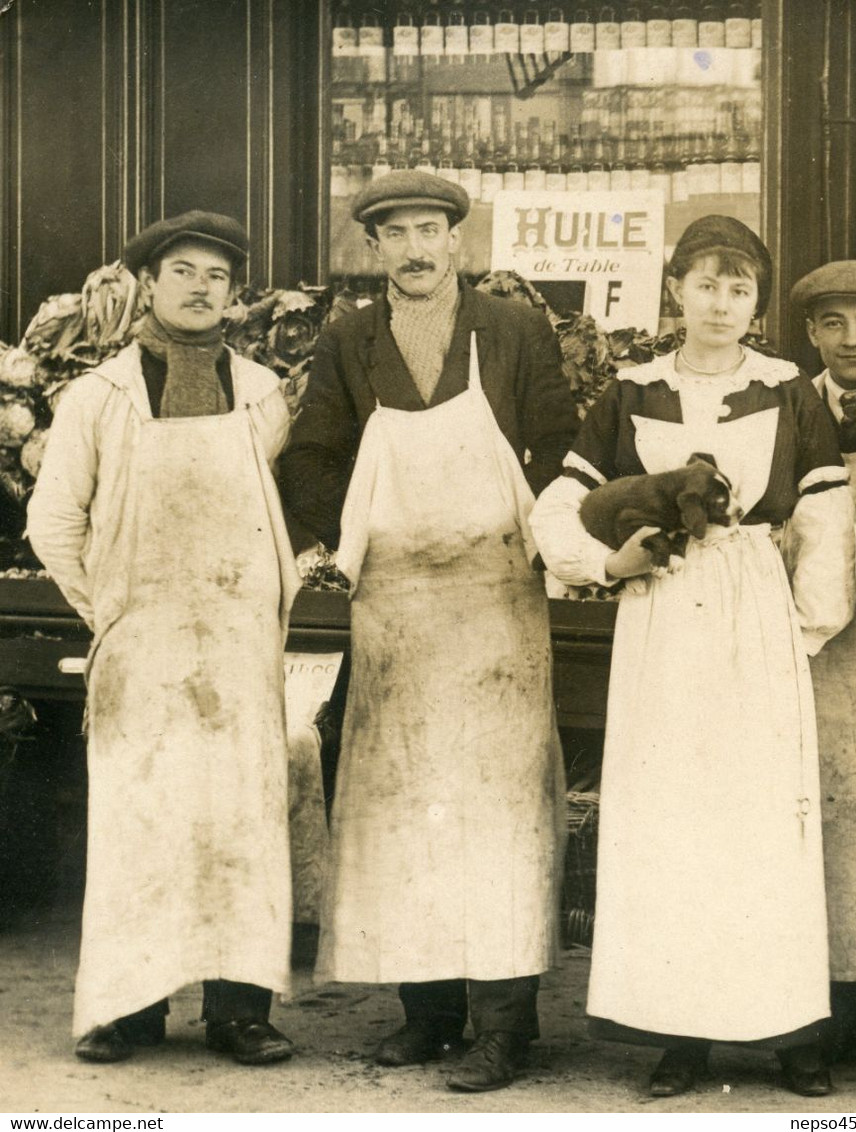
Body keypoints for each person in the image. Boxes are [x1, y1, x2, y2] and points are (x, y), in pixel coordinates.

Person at [530, 215, 855, 1098]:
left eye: (740, 288)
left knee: (760, 822)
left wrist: (804, 631)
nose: (722, 303)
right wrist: (604, 563)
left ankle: (790, 1031)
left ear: (756, 303)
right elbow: (558, 504)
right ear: (675, 289)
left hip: (757, 612)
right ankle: (683, 1034)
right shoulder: (631, 390)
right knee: (673, 821)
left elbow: (822, 517)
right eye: (706, 284)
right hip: (664, 616)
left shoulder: (787, 389)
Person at [278, 170, 576, 1092]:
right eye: (395, 234)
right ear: (374, 250)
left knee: (498, 816)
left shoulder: (517, 331)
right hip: (398, 609)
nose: (414, 248)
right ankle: (430, 1014)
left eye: (430, 231)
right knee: (403, 811)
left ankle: (503, 1026)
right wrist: (362, 536)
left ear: (457, 240)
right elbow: (312, 459)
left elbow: (562, 448)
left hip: (497, 605)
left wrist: (548, 536)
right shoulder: (348, 342)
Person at [28, 211, 300, 1066]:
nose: (198, 288)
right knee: (140, 822)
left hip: (235, 644)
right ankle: (130, 1010)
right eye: (181, 271)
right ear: (148, 284)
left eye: (215, 277)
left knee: (241, 822)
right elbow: (54, 518)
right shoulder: (97, 395)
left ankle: (240, 1014)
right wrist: (106, 607)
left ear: (233, 296)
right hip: (139, 645)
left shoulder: (261, 393)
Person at [791, 261, 856, 1061]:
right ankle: (822, 1005)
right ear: (811, 333)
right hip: (806, 642)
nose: (853, 340)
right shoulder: (785, 407)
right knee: (819, 815)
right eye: (835, 323)